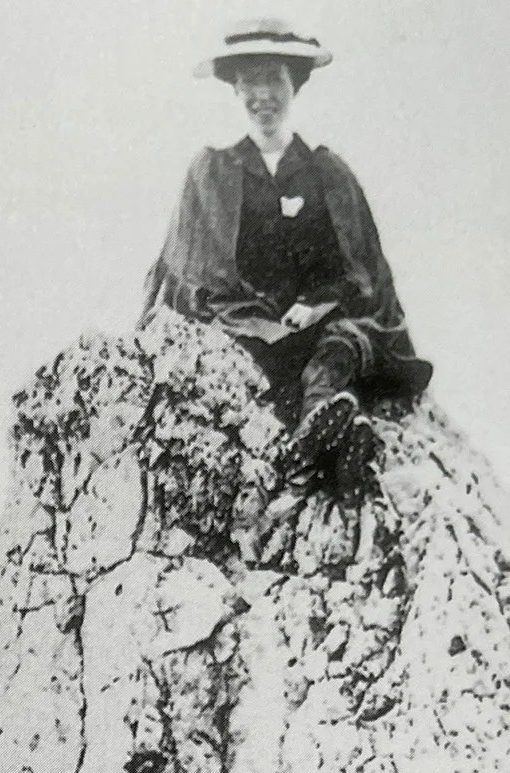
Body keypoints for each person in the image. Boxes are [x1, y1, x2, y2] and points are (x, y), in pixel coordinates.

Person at [141, 20, 432, 492]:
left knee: (340, 346)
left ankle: (319, 430)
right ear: (235, 88)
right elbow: (197, 276)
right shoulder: (213, 172)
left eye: (274, 79)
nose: (263, 95)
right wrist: (261, 318)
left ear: (294, 84)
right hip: (247, 330)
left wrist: (319, 302)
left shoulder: (327, 172)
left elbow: (361, 273)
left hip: (321, 328)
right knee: (248, 349)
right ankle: (324, 444)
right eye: (251, 81)